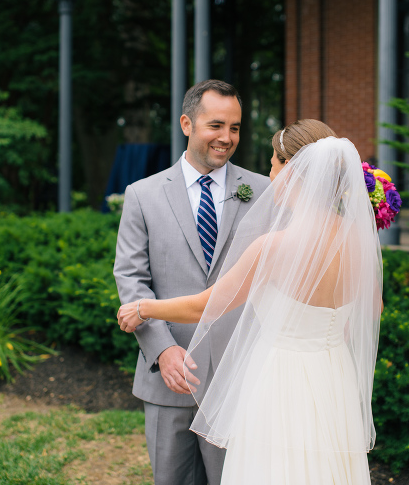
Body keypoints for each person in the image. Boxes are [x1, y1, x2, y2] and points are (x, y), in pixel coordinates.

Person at [118, 119, 383, 484]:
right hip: (332, 377)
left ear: (292, 170)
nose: (270, 174)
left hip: (281, 381)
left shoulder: (275, 247)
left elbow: (205, 306)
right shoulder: (358, 240)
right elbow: (373, 308)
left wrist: (143, 307)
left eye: (273, 164)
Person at [113, 79, 270, 485]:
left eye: (234, 128)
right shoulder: (142, 195)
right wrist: (163, 350)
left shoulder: (263, 190)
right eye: (215, 125)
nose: (226, 137)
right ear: (187, 124)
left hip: (240, 378)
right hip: (170, 381)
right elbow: (131, 277)